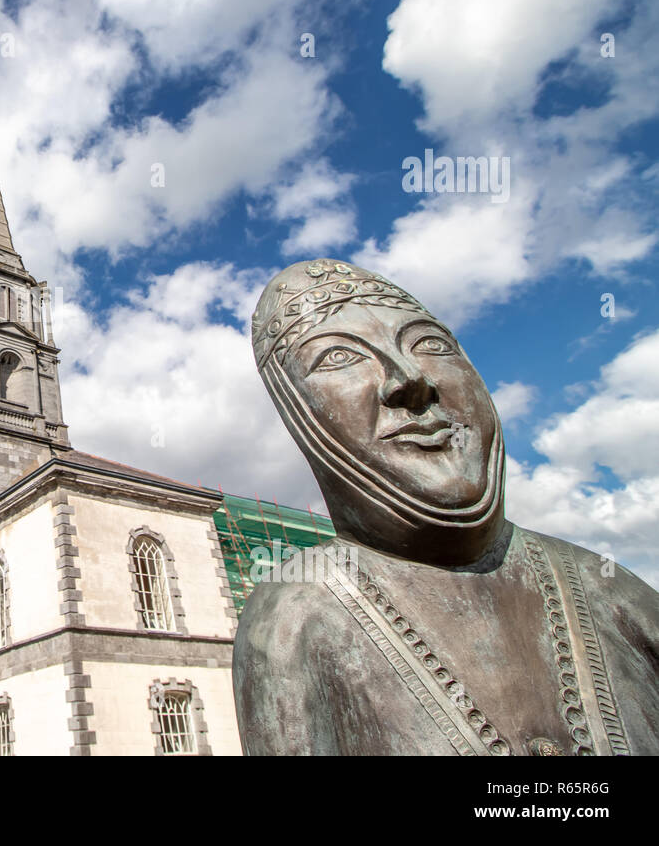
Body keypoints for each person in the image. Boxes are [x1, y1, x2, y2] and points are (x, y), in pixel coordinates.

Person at [234, 259, 659, 756]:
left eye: (430, 345)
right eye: (338, 358)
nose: (409, 378)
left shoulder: (608, 589)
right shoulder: (295, 620)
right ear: (297, 413)